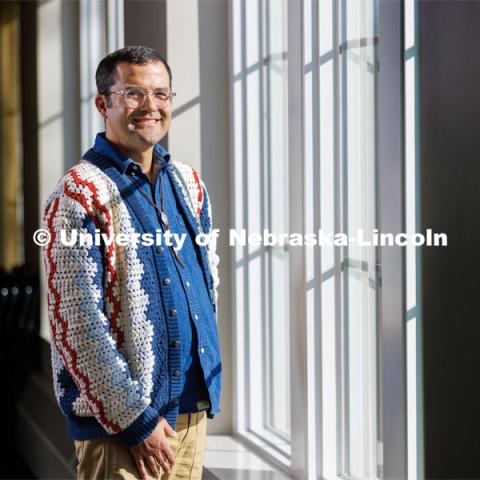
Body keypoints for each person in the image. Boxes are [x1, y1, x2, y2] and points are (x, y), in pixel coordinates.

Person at [41, 45, 222, 480]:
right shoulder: (77, 196)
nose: (151, 106)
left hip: (190, 417)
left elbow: (206, 288)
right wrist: (134, 422)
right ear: (104, 104)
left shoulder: (188, 183)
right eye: (134, 94)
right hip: (120, 430)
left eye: (161, 94)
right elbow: (78, 327)